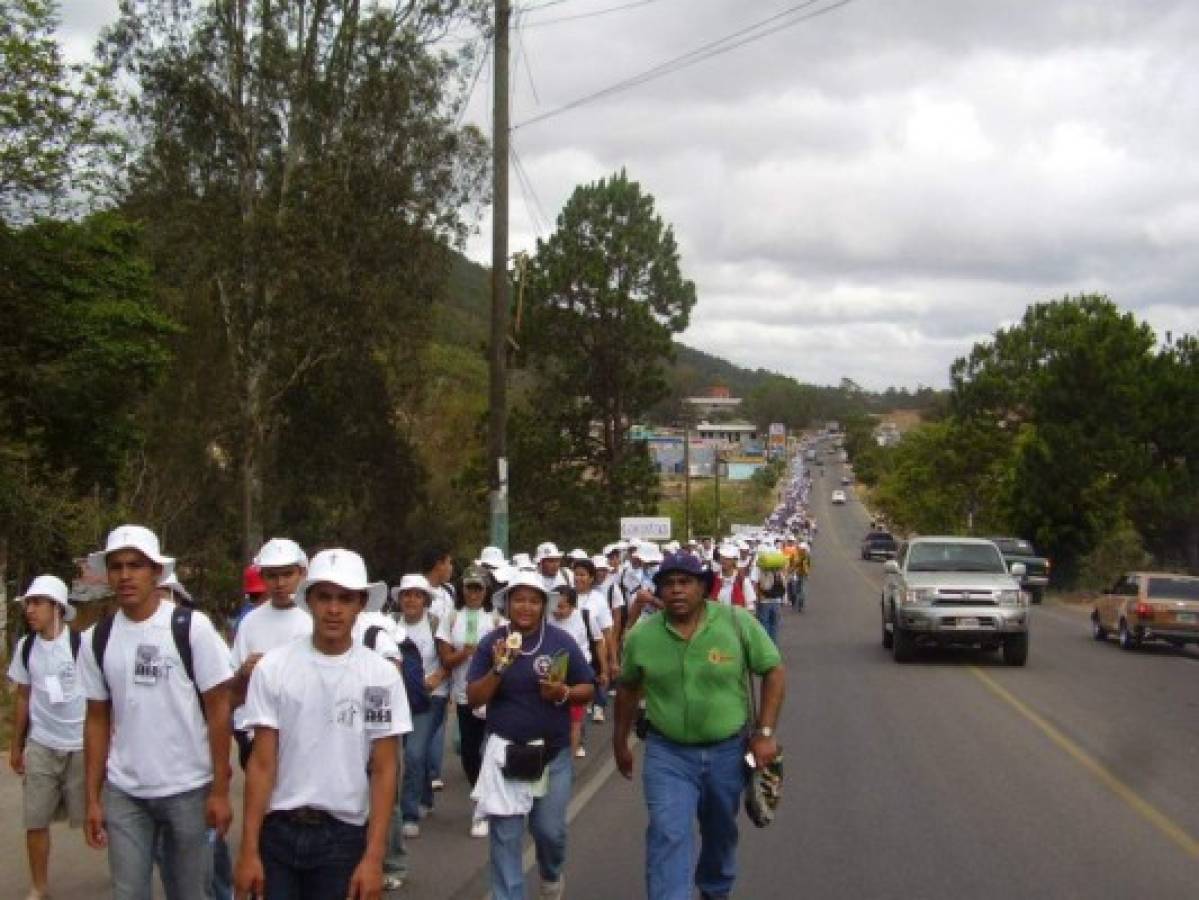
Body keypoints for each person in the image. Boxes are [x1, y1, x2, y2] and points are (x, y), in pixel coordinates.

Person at [234, 548, 411, 900]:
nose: (334, 609)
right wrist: (248, 851)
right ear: (309, 600)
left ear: (360, 604)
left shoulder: (380, 677)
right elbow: (262, 764)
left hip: (344, 837)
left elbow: (384, 769)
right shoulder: (274, 669)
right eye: (325, 597)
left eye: (345, 598)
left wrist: (374, 859)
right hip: (279, 832)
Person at [614, 551, 785, 900]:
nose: (676, 590)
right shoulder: (642, 637)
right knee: (668, 833)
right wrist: (620, 743)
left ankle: (715, 889)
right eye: (668, 584)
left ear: (703, 588)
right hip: (668, 754)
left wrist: (765, 733)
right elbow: (627, 689)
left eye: (685, 582)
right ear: (658, 591)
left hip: (728, 751)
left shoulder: (736, 623)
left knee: (720, 832)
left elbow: (773, 670)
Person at [78, 525, 234, 900]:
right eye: (117, 566)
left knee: (192, 892)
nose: (126, 575)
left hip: (188, 789)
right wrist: (93, 799)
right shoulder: (97, 638)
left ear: (157, 573)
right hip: (125, 792)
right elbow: (97, 719)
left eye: (137, 565)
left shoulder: (190, 628)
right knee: (128, 892)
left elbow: (218, 710)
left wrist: (220, 790)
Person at [466, 571, 594, 900]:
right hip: (505, 754)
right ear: (507, 603)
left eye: (534, 601)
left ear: (543, 606)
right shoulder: (491, 643)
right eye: (519, 599)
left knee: (549, 832)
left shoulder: (559, 642)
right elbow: (474, 697)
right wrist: (499, 668)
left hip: (552, 756)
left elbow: (589, 688)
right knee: (506, 837)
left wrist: (563, 692)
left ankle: (551, 875)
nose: (526, 607)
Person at [7, 575, 85, 900]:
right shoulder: (26, 648)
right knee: (35, 820)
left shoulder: (83, 645)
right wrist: (16, 744)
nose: (30, 609)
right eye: (28, 603)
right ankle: (39, 886)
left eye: (37, 602)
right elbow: (23, 696)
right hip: (41, 744)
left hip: (82, 747)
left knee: (102, 816)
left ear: (57, 607)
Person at [435, 564, 504, 838]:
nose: (473, 593)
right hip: (465, 695)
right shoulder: (451, 617)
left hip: (494, 694)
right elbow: (446, 659)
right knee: (470, 752)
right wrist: (465, 653)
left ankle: (486, 808)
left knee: (493, 750)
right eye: (469, 588)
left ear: (486, 591)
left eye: (478, 588)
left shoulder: (497, 619)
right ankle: (481, 794)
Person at [230, 538, 311, 768]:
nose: (280, 582)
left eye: (287, 574)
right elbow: (232, 687)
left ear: (301, 573)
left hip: (302, 735)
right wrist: (245, 672)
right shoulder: (250, 622)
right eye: (272, 575)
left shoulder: (313, 620)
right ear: (263, 577)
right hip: (257, 733)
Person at [391, 574, 450, 838]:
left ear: (425, 599)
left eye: (417, 595)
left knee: (414, 752)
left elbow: (449, 657)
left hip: (431, 697)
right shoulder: (390, 624)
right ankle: (425, 796)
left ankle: (409, 813)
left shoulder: (436, 623)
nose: (411, 600)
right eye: (407, 594)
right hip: (399, 698)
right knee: (415, 752)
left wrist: (438, 677)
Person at [548, 584, 607, 758]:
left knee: (575, 718)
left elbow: (598, 641)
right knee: (553, 714)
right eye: (554, 605)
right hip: (554, 671)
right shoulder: (546, 618)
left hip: (576, 673)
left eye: (562, 606)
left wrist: (603, 669)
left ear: (573, 606)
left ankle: (571, 754)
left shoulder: (584, 616)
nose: (557, 611)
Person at [419, 543, 455, 792]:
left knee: (437, 721)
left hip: (442, 666)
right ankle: (426, 772)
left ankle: (432, 772)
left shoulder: (448, 592)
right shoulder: (417, 591)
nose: (451, 568)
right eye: (449, 563)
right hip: (420, 668)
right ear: (438, 564)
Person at [709, 545, 757, 611]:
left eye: (727, 558)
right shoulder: (714, 578)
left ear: (734, 560)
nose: (724, 561)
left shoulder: (742, 580)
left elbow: (750, 606)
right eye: (722, 557)